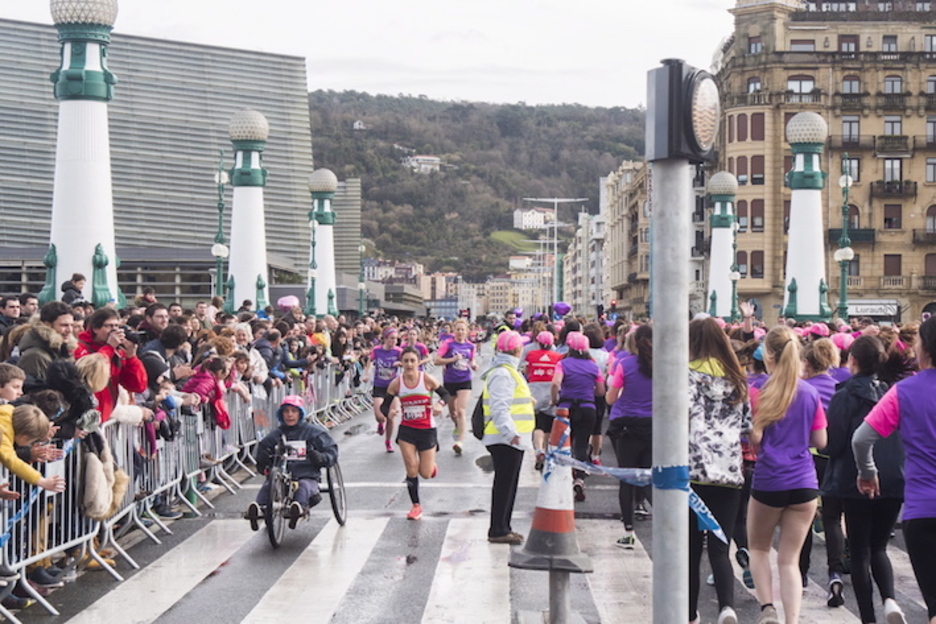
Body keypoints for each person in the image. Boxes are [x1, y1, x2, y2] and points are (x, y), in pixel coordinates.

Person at [853, 316, 936, 624]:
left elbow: (861, 439)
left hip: (922, 509)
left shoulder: (905, 391)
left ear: (924, 348)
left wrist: (867, 472)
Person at [747, 326, 827, 624]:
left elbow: (754, 439)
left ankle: (768, 608)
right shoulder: (810, 392)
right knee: (790, 559)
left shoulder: (760, 391)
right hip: (804, 481)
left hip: (770, 479)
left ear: (768, 355)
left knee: (758, 547)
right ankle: (792, 620)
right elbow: (821, 441)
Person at [823, 335, 906, 623]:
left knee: (858, 552)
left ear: (853, 361)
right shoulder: (892, 392)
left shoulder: (844, 396)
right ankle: (890, 600)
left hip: (854, 477)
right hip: (893, 477)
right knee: (879, 547)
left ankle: (868, 618)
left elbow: (834, 445)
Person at [687, 318, 752, 624]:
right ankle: (727, 608)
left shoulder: (685, 376)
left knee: (689, 550)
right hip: (728, 470)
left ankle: (689, 613)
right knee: (720, 547)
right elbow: (747, 426)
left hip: (692, 471)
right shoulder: (738, 379)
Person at [799, 338, 847, 604]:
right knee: (832, 518)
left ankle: (802, 573)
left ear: (807, 362)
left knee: (803, 518)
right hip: (834, 459)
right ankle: (835, 572)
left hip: (808, 457)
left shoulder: (804, 388)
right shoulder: (838, 386)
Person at [245, 395, 338, 530]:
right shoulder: (275, 435)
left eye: (293, 411)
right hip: (281, 476)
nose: (290, 415)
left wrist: (321, 457)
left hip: (306, 475)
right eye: (286, 411)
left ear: (300, 413)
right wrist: (263, 459)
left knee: (303, 487)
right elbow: (260, 457)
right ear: (281, 414)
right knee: (267, 486)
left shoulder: (314, 433)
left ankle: (298, 510)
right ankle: (259, 510)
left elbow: (331, 451)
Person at [381, 347, 448, 520]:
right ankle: (416, 506)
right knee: (411, 468)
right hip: (407, 430)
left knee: (425, 473)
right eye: (406, 361)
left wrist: (439, 404)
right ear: (401, 363)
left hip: (427, 430)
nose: (409, 364)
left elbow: (446, 394)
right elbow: (384, 406)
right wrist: (389, 413)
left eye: (413, 360)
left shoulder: (427, 379)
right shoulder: (397, 383)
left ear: (418, 362)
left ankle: (431, 465)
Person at [480, 330, 534, 545]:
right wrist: (511, 434)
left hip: (509, 438)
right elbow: (500, 407)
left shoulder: (507, 370)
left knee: (508, 484)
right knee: (504, 484)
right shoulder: (503, 373)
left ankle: (504, 526)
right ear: (517, 349)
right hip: (506, 439)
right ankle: (498, 529)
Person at [605, 324, 653, 548]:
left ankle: (629, 531)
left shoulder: (624, 364)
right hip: (654, 427)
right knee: (650, 480)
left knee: (627, 480)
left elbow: (611, 399)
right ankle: (668, 527)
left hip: (627, 426)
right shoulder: (666, 365)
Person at [550, 331, 604, 502]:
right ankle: (580, 477)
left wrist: (555, 399)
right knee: (581, 444)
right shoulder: (593, 366)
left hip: (566, 407)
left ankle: (562, 478)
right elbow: (601, 391)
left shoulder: (563, 363)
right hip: (588, 408)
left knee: (564, 444)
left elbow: (555, 383)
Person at [73, 308, 147, 423]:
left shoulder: (116, 351)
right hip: (85, 417)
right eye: (109, 326)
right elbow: (91, 372)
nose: (114, 331)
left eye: (117, 326)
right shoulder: (79, 348)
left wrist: (131, 357)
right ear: (95, 328)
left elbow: (138, 386)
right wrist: (109, 348)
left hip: (104, 416)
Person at [434, 319, 477, 456]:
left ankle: (460, 441)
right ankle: (457, 427)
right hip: (450, 380)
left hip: (464, 380)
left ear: (467, 332)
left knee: (461, 410)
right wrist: (452, 360)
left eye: (463, 330)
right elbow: (436, 360)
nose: (460, 332)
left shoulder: (471, 346)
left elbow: (472, 360)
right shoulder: (448, 344)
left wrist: (474, 365)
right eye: (458, 329)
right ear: (454, 331)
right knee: (452, 412)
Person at [522, 330, 562, 470]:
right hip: (550, 391)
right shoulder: (557, 357)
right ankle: (546, 451)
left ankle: (539, 450)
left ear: (538, 342)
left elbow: (527, 372)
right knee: (548, 425)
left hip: (534, 391)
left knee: (537, 424)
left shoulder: (531, 354)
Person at [16, 301, 75, 384]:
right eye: (64, 325)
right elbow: (33, 390)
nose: (69, 330)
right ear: (47, 325)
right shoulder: (34, 356)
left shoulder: (62, 348)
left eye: (71, 325)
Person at [371, 328, 402, 453]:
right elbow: (369, 361)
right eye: (391, 338)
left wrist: (400, 363)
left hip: (393, 387)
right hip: (379, 385)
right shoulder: (377, 350)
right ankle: (380, 423)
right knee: (380, 416)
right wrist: (367, 373)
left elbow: (407, 362)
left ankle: (388, 442)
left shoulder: (399, 351)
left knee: (391, 416)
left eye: (396, 338)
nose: (394, 341)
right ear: (385, 338)